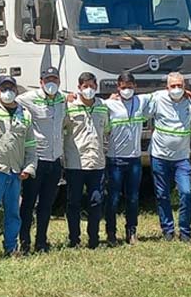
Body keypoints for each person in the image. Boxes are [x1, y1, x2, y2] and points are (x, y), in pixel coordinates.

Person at [0, 77, 38, 259]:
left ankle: (11, 247)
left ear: (16, 91)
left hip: (16, 173)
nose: (7, 92)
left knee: (13, 213)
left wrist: (29, 167)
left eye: (11, 88)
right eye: (4, 88)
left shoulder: (25, 114)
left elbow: (30, 145)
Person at [17, 67, 66, 253]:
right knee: (28, 203)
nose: (51, 83)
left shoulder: (62, 98)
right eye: (48, 79)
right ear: (41, 82)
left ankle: (41, 241)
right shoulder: (29, 98)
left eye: (54, 79)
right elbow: (8, 100)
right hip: (36, 160)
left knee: (46, 204)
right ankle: (24, 241)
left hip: (55, 161)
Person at [145, 72, 191, 241]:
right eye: (173, 86)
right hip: (159, 156)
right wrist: (115, 96)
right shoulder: (157, 98)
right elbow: (135, 100)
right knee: (162, 194)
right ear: (166, 87)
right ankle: (167, 229)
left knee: (186, 193)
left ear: (185, 87)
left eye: (179, 86)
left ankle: (185, 230)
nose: (176, 89)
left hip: (181, 158)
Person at [63, 72, 110, 248]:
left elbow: (106, 129)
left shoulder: (102, 107)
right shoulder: (70, 107)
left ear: (96, 87)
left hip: (97, 162)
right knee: (73, 202)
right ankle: (74, 239)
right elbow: (62, 129)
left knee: (96, 201)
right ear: (79, 87)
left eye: (91, 86)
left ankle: (94, 239)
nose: (88, 89)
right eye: (85, 86)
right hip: (75, 162)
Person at [103, 72, 149, 244]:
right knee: (113, 198)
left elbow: (162, 94)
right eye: (123, 87)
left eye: (130, 86)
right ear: (118, 87)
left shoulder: (141, 101)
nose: (127, 90)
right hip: (115, 160)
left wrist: (188, 92)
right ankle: (111, 233)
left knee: (133, 197)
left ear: (135, 86)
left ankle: (131, 231)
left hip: (134, 159)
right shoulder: (110, 104)